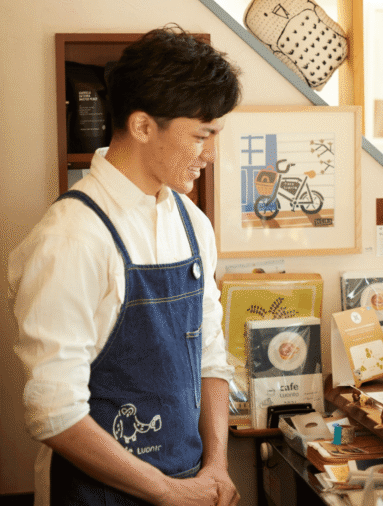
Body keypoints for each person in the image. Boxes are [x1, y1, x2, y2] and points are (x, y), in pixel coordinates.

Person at [9, 26, 242, 506]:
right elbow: (54, 412)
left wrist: (215, 467)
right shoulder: (71, 237)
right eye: (202, 135)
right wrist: (165, 493)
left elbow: (210, 356)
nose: (211, 155)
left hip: (189, 484)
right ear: (141, 126)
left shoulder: (193, 224)